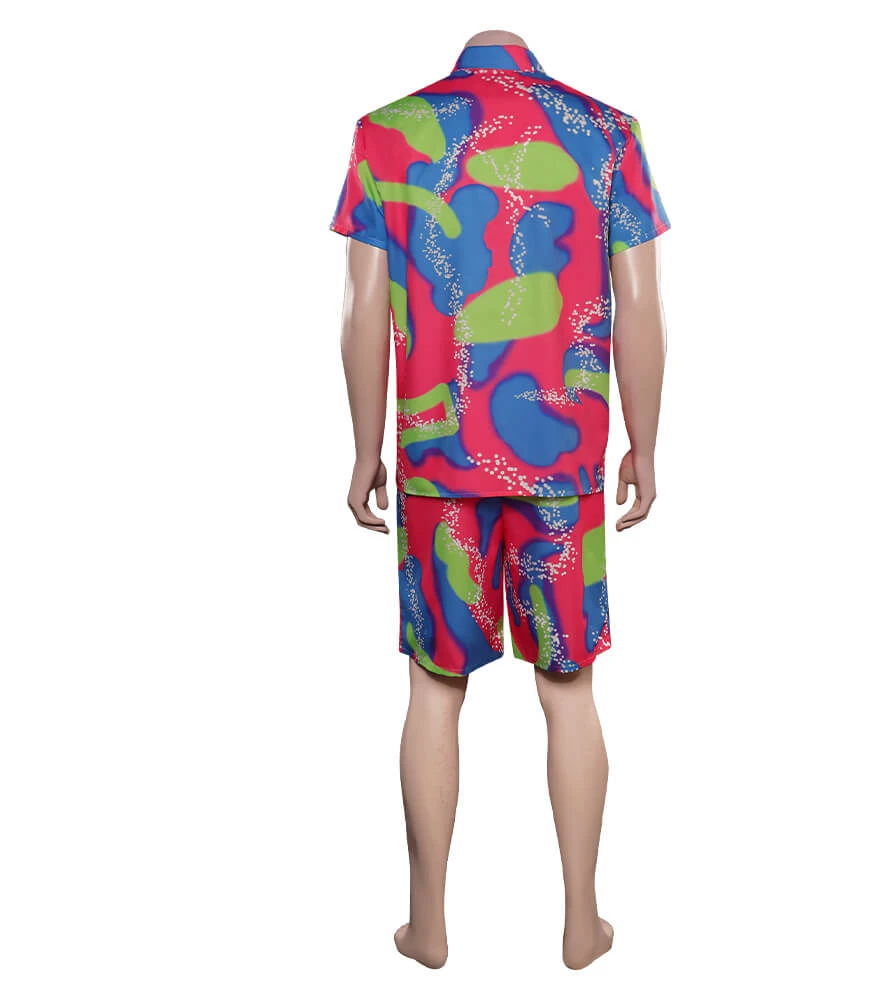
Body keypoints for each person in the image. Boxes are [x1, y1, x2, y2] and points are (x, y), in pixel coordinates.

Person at [329, 28, 670, 970]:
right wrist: (645, 440)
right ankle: (582, 923)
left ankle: (428, 925)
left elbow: (362, 312)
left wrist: (364, 449)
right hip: (563, 468)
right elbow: (642, 308)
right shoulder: (606, 134)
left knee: (433, 688)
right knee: (571, 689)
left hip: (438, 462)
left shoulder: (388, 133)